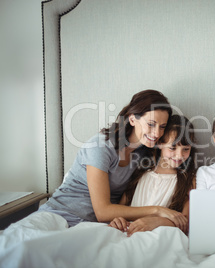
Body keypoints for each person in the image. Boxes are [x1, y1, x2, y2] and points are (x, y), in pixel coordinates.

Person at [39, 90, 187, 230]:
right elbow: (103, 211)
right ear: (132, 119)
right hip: (59, 214)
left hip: (96, 225)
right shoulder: (101, 146)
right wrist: (158, 211)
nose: (157, 133)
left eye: (162, 127)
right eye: (151, 124)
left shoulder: (145, 153)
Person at [108, 115, 197, 236]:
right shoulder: (141, 170)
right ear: (160, 143)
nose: (179, 155)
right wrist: (118, 220)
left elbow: (185, 222)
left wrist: (157, 221)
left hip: (159, 235)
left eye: (186, 149)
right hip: (129, 231)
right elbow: (121, 209)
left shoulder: (188, 179)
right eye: (172, 148)